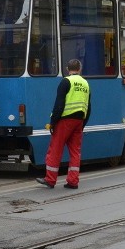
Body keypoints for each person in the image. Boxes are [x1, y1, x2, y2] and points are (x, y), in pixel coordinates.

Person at [36, 59, 91, 189]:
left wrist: (53, 123)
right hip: (79, 121)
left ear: (67, 69)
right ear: (80, 69)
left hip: (65, 120)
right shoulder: (86, 84)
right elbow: (89, 108)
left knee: (55, 148)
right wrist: (82, 124)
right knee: (75, 152)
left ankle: (50, 179)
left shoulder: (66, 82)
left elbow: (59, 104)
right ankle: (73, 181)